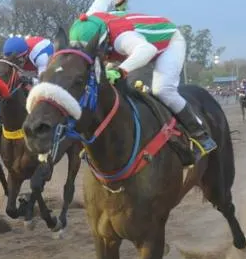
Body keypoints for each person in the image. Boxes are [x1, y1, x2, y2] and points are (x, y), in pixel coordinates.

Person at [67, 11, 217, 159]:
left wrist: (121, 70)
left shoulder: (122, 40)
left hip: (167, 43)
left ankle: (199, 133)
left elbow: (147, 50)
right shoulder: (90, 18)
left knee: (163, 90)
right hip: (139, 44)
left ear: (102, 40)